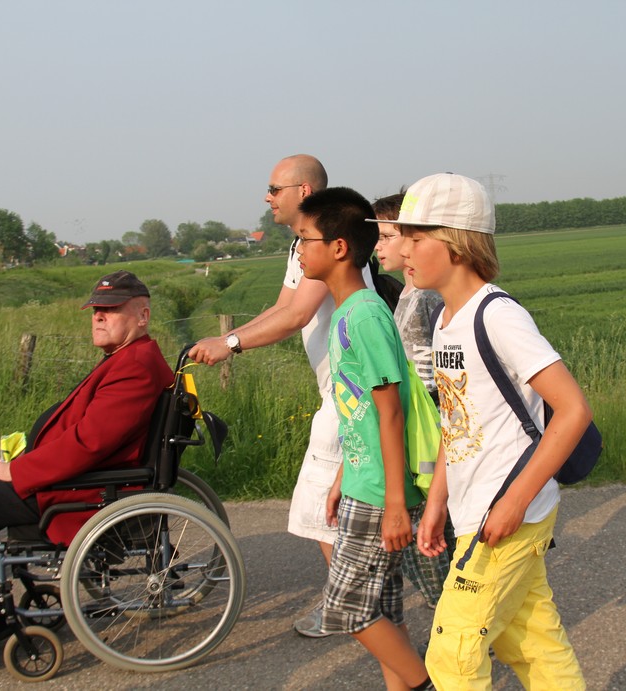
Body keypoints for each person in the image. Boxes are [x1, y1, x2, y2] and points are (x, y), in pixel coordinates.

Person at [0, 270, 174, 669]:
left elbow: (89, 444)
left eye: (110, 309)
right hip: (74, 477)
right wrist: (21, 463)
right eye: (95, 309)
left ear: (143, 316)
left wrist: (20, 471)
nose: (98, 316)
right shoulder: (127, 357)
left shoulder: (135, 366)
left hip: (81, 491)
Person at [401, 174, 589, 689]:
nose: (404, 249)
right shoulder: (444, 321)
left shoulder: (497, 315)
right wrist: (437, 502)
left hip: (506, 512)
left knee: (453, 655)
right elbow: (456, 420)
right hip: (474, 511)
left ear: (458, 243)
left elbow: (572, 410)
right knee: (530, 642)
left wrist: (513, 502)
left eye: (417, 236)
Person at [187, 154, 374, 637]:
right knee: (337, 507)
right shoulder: (302, 246)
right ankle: (361, 604)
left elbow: (297, 315)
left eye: (274, 189)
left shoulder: (324, 244)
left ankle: (351, 610)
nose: (267, 197)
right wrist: (222, 340)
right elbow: (282, 305)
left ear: (303, 192)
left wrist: (230, 344)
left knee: (323, 509)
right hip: (341, 394)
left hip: (349, 396)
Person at [297, 186, 431, 690]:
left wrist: (395, 502)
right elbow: (359, 417)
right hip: (363, 480)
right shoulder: (347, 312)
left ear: (338, 247)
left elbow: (390, 411)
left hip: (378, 492)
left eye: (305, 239)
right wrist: (341, 474)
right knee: (384, 609)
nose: (298, 250)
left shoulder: (366, 315)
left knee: (347, 609)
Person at [372, 192, 454, 611]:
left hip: (430, 442)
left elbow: (438, 384)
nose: (379, 246)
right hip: (418, 439)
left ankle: (458, 631)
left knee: (433, 550)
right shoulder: (407, 294)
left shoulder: (426, 298)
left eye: (387, 236)